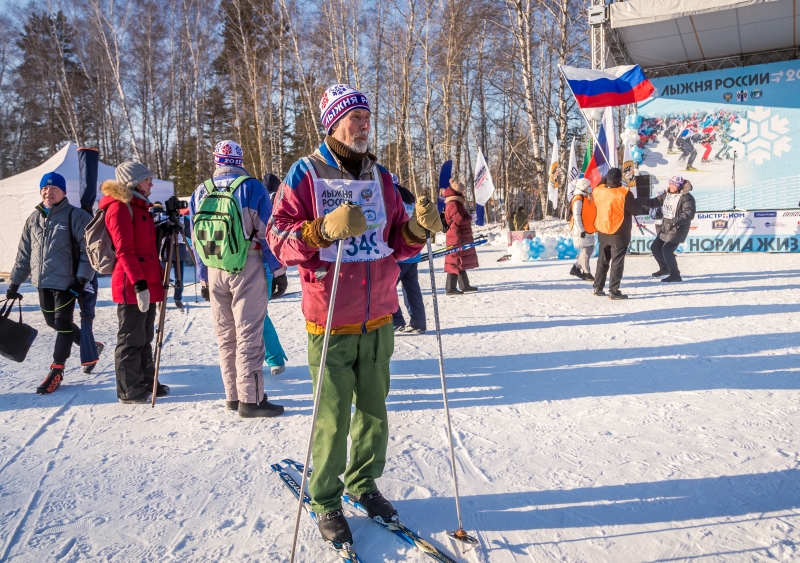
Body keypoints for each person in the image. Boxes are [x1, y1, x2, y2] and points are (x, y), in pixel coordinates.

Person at [267, 83, 440, 548]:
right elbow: (277, 240)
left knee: (374, 413)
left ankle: (363, 484)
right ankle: (326, 498)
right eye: (354, 119)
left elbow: (396, 242)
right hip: (330, 320)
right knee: (332, 418)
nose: (363, 126)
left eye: (367, 117)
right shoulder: (305, 173)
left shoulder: (380, 177)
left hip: (380, 315)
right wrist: (320, 230)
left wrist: (418, 228)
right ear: (333, 124)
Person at [191, 140, 285, 417]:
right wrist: (277, 270)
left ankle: (233, 396)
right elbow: (268, 234)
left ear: (216, 160)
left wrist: (204, 277)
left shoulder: (201, 190)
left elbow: (196, 240)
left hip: (214, 269)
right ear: (240, 160)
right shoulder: (252, 187)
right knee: (249, 334)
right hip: (247, 265)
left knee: (226, 336)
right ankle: (252, 400)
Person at [7, 172, 97, 394]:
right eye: (45, 189)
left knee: (63, 324)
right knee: (52, 322)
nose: (49, 192)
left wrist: (82, 279)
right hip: (42, 282)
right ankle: (91, 346)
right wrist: (14, 284)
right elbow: (24, 254)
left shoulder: (76, 216)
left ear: (64, 192)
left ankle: (57, 369)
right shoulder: (33, 219)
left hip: (67, 283)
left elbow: (90, 251)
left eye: (54, 189)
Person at [99, 163, 170, 404]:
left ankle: (146, 381)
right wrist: (139, 285)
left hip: (146, 280)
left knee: (145, 335)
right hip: (132, 283)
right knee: (130, 338)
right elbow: (125, 251)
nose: (151, 183)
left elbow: (146, 244)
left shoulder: (139, 207)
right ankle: (128, 388)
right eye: (146, 179)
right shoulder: (118, 208)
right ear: (133, 183)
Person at [591, 167, 644, 300]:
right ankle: (613, 291)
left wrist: (606, 178)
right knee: (617, 262)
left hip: (603, 230)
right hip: (619, 232)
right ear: (620, 179)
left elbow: (600, 184)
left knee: (602, 260)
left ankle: (598, 287)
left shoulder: (598, 191)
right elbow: (637, 210)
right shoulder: (624, 193)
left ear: (607, 179)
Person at [638, 176, 696, 282]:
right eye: (670, 183)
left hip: (678, 228)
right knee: (655, 247)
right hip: (666, 227)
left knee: (667, 250)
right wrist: (639, 201)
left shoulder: (686, 197)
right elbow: (654, 202)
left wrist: (674, 222)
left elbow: (689, 214)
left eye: (674, 184)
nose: (671, 186)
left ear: (679, 186)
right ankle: (664, 269)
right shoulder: (667, 195)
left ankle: (675, 275)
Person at [392, 176, 427, 334]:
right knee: (412, 289)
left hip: (399, 253)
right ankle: (418, 322)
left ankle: (396, 320)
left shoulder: (392, 197)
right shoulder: (409, 197)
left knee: (387, 288)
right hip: (413, 252)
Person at [443, 178, 479, 295]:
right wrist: (471, 217)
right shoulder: (454, 204)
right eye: (463, 191)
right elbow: (460, 220)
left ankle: (464, 285)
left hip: (459, 235)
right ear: (457, 192)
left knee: (460, 260)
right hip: (456, 235)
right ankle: (450, 288)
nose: (464, 193)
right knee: (454, 260)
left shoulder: (455, 203)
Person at [568, 178, 596, 281]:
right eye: (588, 186)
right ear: (583, 187)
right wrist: (581, 230)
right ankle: (586, 272)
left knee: (590, 248)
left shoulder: (586, 197)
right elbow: (576, 215)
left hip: (587, 227)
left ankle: (576, 267)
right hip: (581, 229)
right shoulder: (578, 199)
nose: (589, 188)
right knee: (585, 250)